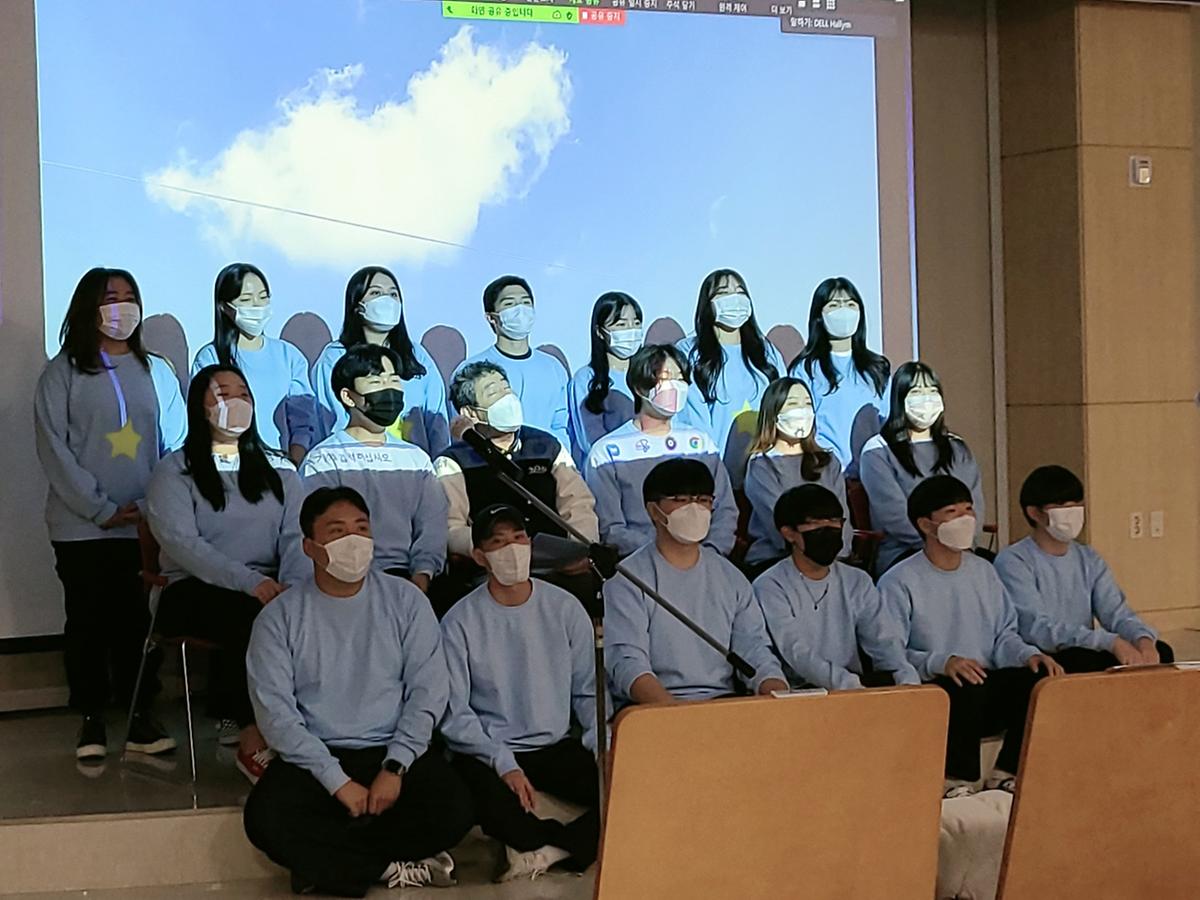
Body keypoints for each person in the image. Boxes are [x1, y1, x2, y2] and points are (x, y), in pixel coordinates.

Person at [243, 487, 472, 897]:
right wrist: (337, 782)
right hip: (316, 756)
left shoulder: (407, 601)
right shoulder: (279, 618)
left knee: (455, 809)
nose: (353, 540)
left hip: (392, 751)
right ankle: (383, 867)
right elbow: (277, 717)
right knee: (264, 820)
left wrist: (395, 767)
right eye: (337, 531)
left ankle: (328, 866)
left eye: (361, 529)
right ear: (310, 547)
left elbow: (428, 692)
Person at [34, 267, 185, 761]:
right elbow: (54, 449)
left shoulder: (156, 370)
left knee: (137, 624)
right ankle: (91, 718)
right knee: (87, 622)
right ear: (88, 307)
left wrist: (153, 506)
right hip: (81, 528)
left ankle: (140, 715)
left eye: (129, 296)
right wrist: (99, 508)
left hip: (143, 526)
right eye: (109, 297)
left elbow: (175, 444)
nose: (121, 306)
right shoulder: (62, 373)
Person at [147, 364, 304, 783]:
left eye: (243, 393)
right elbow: (184, 544)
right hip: (191, 587)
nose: (236, 402)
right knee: (252, 616)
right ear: (199, 407)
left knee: (308, 610)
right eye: (222, 393)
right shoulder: (174, 470)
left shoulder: (280, 469)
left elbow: (296, 535)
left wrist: (291, 584)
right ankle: (251, 735)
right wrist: (250, 582)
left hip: (270, 585)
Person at [441, 505, 601, 882]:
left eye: (519, 538)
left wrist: (602, 746)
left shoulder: (565, 608)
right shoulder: (459, 621)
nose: (512, 549)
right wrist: (503, 762)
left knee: (631, 790)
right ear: (480, 556)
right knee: (481, 806)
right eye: (498, 542)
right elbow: (454, 712)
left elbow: (587, 692)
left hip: (555, 744)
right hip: (489, 749)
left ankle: (553, 850)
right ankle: (566, 845)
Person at [879, 475, 1064, 798]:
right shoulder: (898, 581)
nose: (965, 519)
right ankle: (955, 780)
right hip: (938, 687)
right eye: (952, 512)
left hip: (984, 680)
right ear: (925, 524)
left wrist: (1028, 655)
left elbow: (1004, 634)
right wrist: (942, 662)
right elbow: (890, 652)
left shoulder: (984, 571)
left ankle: (1007, 772)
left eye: (968, 509)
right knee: (966, 685)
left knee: (1037, 680)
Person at [604, 458, 787, 706]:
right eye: (680, 500)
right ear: (653, 510)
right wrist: (676, 714)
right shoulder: (627, 579)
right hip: (653, 709)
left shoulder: (730, 576)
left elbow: (753, 647)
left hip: (722, 703)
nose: (694, 509)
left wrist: (773, 685)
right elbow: (627, 661)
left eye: (703, 500)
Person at [435, 362, 597, 608]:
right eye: (493, 392)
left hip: (556, 567)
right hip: (492, 572)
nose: (506, 397)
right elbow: (452, 528)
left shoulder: (546, 446)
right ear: (470, 412)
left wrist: (580, 550)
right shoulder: (453, 461)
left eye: (506, 388)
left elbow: (579, 505)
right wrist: (499, 550)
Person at [289, 345, 447, 595]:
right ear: (348, 396)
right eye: (376, 381)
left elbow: (432, 525)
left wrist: (423, 573)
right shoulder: (323, 459)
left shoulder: (416, 458)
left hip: (408, 582)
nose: (389, 389)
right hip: (343, 580)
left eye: (394, 380)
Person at [995, 465, 1174, 672]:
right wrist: (1108, 641)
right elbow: (1036, 628)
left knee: (1162, 652)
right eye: (1061, 507)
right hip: (1043, 655)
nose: (1071, 514)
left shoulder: (1088, 558)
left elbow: (1115, 611)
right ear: (1034, 512)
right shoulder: (1014, 560)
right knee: (1083, 661)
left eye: (1076, 506)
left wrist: (1142, 638)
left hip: (1084, 646)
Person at [754, 485, 919, 691]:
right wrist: (847, 684)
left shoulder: (857, 580)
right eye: (816, 524)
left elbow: (883, 640)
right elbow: (795, 650)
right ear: (789, 533)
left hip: (855, 686)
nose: (829, 531)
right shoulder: (771, 585)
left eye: (834, 522)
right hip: (801, 692)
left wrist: (904, 676)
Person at [586, 344, 738, 557]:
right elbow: (611, 529)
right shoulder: (607, 452)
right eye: (665, 378)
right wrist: (666, 554)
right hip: (640, 562)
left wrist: (708, 553)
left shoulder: (701, 444)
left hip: (706, 560)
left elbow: (725, 510)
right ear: (640, 387)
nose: (675, 386)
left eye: (680, 378)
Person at [859, 361, 984, 574]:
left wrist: (963, 540)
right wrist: (938, 542)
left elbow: (975, 504)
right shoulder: (878, 450)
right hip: (906, 552)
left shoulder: (956, 447)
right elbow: (893, 516)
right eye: (916, 392)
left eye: (932, 391)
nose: (926, 399)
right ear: (900, 398)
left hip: (961, 548)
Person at [310, 265, 449, 455]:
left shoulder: (417, 355)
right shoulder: (335, 357)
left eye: (393, 294)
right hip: (355, 461)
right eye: (376, 292)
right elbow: (328, 419)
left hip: (415, 465)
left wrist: (442, 462)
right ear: (357, 305)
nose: (387, 300)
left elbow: (437, 420)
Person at [191, 263, 315, 466]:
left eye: (263, 297)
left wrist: (293, 462)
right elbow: (200, 419)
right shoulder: (210, 357)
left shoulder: (289, 356)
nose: (257, 306)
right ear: (224, 306)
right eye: (246, 300)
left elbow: (303, 421)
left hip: (279, 467)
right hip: (226, 467)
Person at [677, 268, 784, 485]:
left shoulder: (766, 351)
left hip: (768, 476)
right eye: (724, 293)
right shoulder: (689, 353)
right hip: (715, 478)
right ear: (707, 303)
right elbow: (692, 421)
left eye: (740, 292)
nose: (734, 299)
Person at [743, 377, 851, 577]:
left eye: (807, 404)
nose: (802, 411)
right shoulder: (761, 464)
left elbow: (842, 514)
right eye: (793, 404)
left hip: (832, 559)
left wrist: (837, 553)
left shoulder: (828, 461)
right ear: (774, 413)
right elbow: (776, 522)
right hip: (777, 560)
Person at [450, 275, 569, 448]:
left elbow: (561, 426)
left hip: (548, 459)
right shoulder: (472, 370)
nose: (520, 310)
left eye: (526, 302)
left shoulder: (553, 367)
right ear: (491, 317)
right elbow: (462, 429)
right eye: (509, 304)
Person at [789, 277, 890, 475]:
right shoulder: (806, 369)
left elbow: (888, 421)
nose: (843, 310)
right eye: (834, 305)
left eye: (850, 304)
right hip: (825, 472)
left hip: (873, 472)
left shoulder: (877, 368)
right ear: (819, 315)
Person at [566, 292, 643, 466]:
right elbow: (590, 440)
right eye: (621, 324)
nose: (631, 330)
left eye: (636, 323)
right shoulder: (586, 379)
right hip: (608, 470)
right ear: (600, 332)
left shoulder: (649, 374)